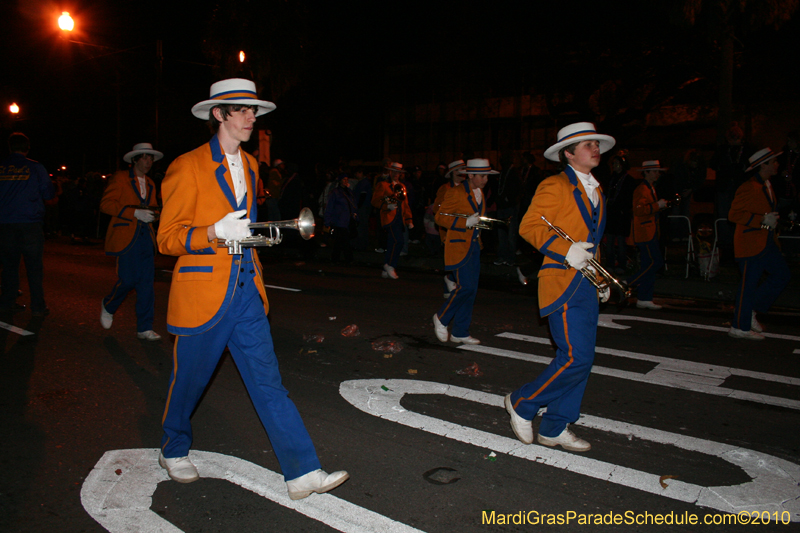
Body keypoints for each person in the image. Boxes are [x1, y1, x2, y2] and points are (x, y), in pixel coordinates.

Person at [156, 78, 348, 499]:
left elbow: (246, 227)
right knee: (190, 379)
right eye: (242, 110)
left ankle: (302, 472)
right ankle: (173, 448)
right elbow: (167, 239)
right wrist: (213, 231)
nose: (251, 118)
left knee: (268, 382)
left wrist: (253, 238)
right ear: (219, 115)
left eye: (253, 111)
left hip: (246, 289)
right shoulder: (186, 166)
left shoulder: (253, 166)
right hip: (204, 293)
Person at [504, 122, 614, 452]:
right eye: (586, 145)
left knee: (583, 358)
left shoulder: (596, 190)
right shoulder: (555, 185)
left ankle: (555, 427)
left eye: (595, 143)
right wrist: (567, 250)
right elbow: (528, 226)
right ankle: (523, 402)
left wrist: (601, 276)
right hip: (561, 280)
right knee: (575, 358)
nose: (594, 148)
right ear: (568, 153)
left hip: (586, 281)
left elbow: (594, 240)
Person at [99, 143, 163, 340]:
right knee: (127, 280)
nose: (148, 162)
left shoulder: (151, 183)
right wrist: (134, 213)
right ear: (135, 159)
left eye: (151, 158)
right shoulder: (120, 178)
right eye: (145, 157)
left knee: (146, 284)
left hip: (146, 236)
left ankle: (144, 327)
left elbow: (155, 208)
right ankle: (109, 305)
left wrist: (155, 215)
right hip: (126, 235)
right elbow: (106, 204)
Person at [727, 148, 791, 340]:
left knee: (782, 275)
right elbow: (734, 215)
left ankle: (751, 310)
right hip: (750, 243)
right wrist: (762, 220)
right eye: (773, 162)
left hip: (765, 242)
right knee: (748, 285)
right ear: (764, 165)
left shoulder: (766, 184)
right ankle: (739, 326)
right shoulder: (749, 187)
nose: (777, 164)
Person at [432, 158, 495, 345]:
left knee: (471, 290)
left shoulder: (480, 193)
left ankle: (460, 331)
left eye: (486, 176)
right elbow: (440, 217)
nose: (485, 180)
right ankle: (441, 317)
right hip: (458, 246)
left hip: (474, 245)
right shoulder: (455, 192)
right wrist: (464, 223)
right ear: (471, 176)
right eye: (482, 176)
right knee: (464, 287)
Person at [0, 133, 55, 316]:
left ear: (10, 147)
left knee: (9, 267)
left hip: (6, 224)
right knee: (34, 268)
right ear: (27, 148)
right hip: (30, 224)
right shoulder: (35, 167)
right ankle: (38, 307)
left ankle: (7, 302)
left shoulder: (2, 167)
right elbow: (48, 193)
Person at [626, 161, 669, 310]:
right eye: (655, 171)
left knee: (648, 264)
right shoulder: (642, 189)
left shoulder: (649, 188)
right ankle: (629, 282)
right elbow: (639, 210)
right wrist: (658, 205)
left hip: (649, 232)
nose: (658, 174)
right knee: (655, 262)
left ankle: (644, 298)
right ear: (647, 172)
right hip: (644, 233)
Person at [371, 161, 412, 279]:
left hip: (400, 218)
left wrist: (409, 219)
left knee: (392, 242)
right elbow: (374, 201)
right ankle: (391, 265)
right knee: (399, 241)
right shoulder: (383, 184)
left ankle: (387, 266)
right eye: (394, 172)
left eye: (398, 172)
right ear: (390, 172)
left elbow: (406, 204)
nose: (396, 174)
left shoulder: (402, 186)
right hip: (389, 218)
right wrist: (386, 206)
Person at [434, 160, 467, 297]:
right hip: (449, 230)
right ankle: (448, 286)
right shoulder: (445, 189)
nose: (462, 174)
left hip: (464, 230)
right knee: (451, 259)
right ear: (452, 173)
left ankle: (452, 284)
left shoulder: (468, 188)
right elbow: (437, 209)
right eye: (459, 171)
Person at [604, 151, 636, 274]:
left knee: (621, 242)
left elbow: (628, 198)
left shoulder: (628, 180)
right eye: (613, 163)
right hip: (611, 214)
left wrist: (624, 209)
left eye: (617, 163)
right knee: (610, 241)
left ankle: (622, 265)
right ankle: (610, 264)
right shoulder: (611, 179)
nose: (615, 166)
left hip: (622, 215)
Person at [323, 173, 357, 263]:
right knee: (344, 241)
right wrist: (327, 221)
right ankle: (349, 259)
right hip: (339, 221)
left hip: (347, 220)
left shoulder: (349, 192)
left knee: (339, 242)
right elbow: (329, 207)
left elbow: (352, 205)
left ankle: (335, 259)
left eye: (347, 179)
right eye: (344, 179)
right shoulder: (335, 192)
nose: (346, 181)